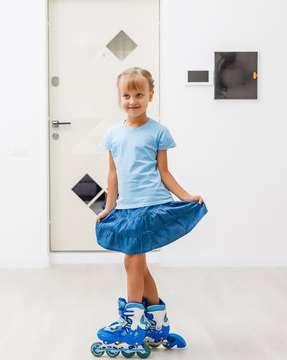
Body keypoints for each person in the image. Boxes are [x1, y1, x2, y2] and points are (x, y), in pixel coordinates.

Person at [90, 67, 208, 358]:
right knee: (140, 267)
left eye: (139, 94)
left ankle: (132, 324)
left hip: (150, 206)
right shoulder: (113, 135)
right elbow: (113, 175)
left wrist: (186, 196)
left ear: (150, 95)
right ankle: (156, 324)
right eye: (127, 95)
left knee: (131, 262)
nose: (133, 100)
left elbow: (164, 173)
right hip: (127, 208)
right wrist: (108, 206)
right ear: (119, 98)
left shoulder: (158, 132)